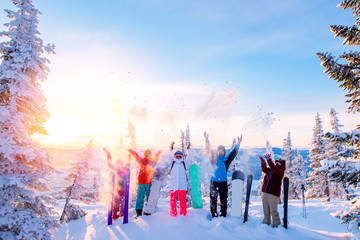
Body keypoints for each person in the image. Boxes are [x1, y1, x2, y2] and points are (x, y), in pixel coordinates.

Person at [204, 132, 242, 218]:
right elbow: (208, 150)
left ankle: (223, 215)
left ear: (224, 152)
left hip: (223, 182)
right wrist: (206, 140)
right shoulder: (213, 159)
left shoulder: (226, 160)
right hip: (214, 181)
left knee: (223, 199)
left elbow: (233, 153)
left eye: (222, 150)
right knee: (213, 199)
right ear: (217, 152)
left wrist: (238, 143)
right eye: (219, 150)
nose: (220, 151)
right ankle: (213, 214)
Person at [128, 148, 162, 217]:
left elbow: (136, 156)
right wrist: (132, 152)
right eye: (146, 154)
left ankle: (146, 211)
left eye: (148, 154)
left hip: (147, 183)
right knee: (142, 197)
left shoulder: (150, 161)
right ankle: (140, 212)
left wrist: (158, 153)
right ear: (145, 154)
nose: (147, 155)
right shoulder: (143, 161)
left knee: (148, 198)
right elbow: (136, 156)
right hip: (142, 183)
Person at [258, 153, 286, 228]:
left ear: (282, 165)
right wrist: (263, 162)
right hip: (265, 192)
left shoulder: (280, 172)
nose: (277, 163)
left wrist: (269, 160)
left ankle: (277, 225)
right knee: (266, 210)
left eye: (279, 163)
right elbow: (264, 169)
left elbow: (274, 168)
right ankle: (265, 223)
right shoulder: (271, 169)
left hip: (273, 194)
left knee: (274, 211)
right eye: (276, 162)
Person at [103, 148, 127, 219]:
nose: (119, 165)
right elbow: (110, 163)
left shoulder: (124, 170)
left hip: (123, 188)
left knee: (122, 202)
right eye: (118, 164)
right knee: (116, 202)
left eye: (120, 164)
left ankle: (122, 215)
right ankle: (115, 215)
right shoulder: (114, 170)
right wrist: (108, 154)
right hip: (116, 189)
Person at [169, 150, 188, 217]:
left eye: (180, 156)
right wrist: (170, 149)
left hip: (182, 185)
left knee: (183, 200)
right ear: (175, 156)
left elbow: (189, 157)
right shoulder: (172, 163)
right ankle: (173, 212)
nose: (178, 157)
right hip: (173, 185)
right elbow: (167, 156)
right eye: (177, 156)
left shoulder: (184, 163)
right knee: (173, 200)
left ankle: (183, 212)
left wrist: (188, 149)